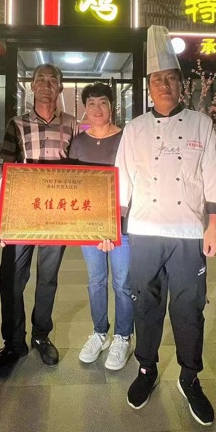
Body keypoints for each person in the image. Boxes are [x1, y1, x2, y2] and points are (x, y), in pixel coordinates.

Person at [115, 25, 216, 426]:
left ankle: (189, 377)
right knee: (144, 304)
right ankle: (146, 369)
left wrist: (212, 227)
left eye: (170, 79)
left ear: (181, 84)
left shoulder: (201, 124)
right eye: (156, 80)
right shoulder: (135, 129)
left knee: (189, 307)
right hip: (144, 231)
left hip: (188, 233)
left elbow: (213, 176)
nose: (163, 86)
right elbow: (122, 181)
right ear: (148, 87)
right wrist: (113, 226)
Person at [0, 64, 78, 374]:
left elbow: (81, 172)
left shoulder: (73, 125)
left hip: (57, 216)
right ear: (32, 87)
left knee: (48, 278)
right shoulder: (17, 124)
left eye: (52, 80)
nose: (46, 85)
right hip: (21, 214)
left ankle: (40, 335)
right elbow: (3, 173)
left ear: (60, 87)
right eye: (40, 80)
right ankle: (13, 343)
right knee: (11, 278)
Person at [68, 82, 133, 370]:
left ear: (112, 106)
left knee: (122, 282)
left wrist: (113, 221)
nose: (97, 108)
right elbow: (73, 183)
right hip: (88, 224)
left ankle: (123, 336)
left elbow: (134, 179)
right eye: (91, 103)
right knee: (95, 280)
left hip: (121, 224)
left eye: (103, 102)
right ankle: (99, 332)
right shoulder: (78, 141)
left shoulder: (127, 138)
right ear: (85, 108)